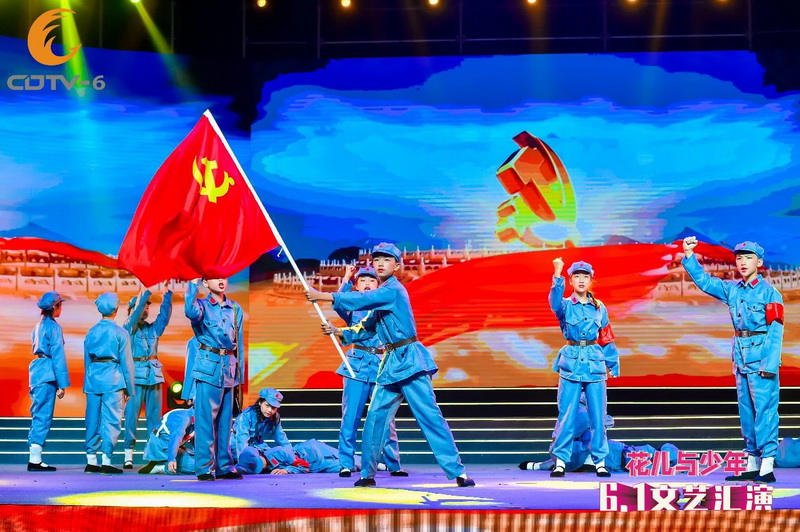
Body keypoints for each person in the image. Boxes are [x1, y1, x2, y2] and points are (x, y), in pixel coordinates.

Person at [306, 242, 474, 488]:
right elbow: (366, 328)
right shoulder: (382, 296)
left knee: (429, 416)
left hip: (410, 361)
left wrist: (323, 295)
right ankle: (367, 474)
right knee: (375, 418)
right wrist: (339, 332)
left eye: (386, 260)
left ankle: (457, 471)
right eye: (377, 260)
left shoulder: (393, 290)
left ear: (396, 266)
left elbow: (364, 299)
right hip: (390, 364)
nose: (380, 264)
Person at [682, 237, 784, 483]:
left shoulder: (770, 293)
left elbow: (775, 330)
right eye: (739, 258)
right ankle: (752, 463)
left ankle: (767, 465)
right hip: (741, 358)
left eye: (748, 257)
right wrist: (689, 256)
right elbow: (706, 282)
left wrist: (769, 364)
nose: (743, 262)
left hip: (761, 359)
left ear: (759, 262)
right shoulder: (733, 290)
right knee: (746, 412)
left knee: (765, 412)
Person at [547, 258, 620, 478]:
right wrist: (557, 272)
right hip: (571, 363)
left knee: (598, 416)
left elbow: (606, 336)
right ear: (570, 280)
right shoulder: (565, 305)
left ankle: (600, 461)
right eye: (577, 276)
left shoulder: (599, 307)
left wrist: (612, 364)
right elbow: (554, 301)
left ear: (591, 280)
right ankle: (561, 460)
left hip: (594, 364)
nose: (581, 280)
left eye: (585, 276)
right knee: (567, 414)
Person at [334, 265, 404, 478]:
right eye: (362, 280)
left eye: (371, 280)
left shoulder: (386, 304)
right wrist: (346, 279)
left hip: (382, 366)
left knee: (386, 418)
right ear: (356, 285)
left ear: (378, 285)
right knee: (350, 417)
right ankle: (346, 463)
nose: (366, 283)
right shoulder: (353, 308)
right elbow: (339, 302)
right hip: (356, 366)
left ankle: (393, 464)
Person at [184, 277, 244, 481]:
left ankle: (224, 466)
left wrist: (239, 375)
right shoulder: (201, 306)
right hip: (208, 368)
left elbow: (239, 343)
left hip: (229, 368)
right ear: (205, 283)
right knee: (205, 421)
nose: (221, 281)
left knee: (226, 422)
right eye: (215, 277)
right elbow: (190, 312)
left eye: (223, 277)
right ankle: (204, 467)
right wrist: (193, 285)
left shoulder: (235, 308)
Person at [83, 292, 135, 474]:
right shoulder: (121, 333)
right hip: (113, 379)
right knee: (111, 420)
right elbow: (127, 364)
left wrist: (87, 381)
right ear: (116, 309)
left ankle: (91, 460)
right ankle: (106, 460)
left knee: (92, 419)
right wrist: (130, 389)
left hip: (93, 379)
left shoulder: (91, 332)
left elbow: (87, 360)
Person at [122, 285, 173, 468]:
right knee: (131, 417)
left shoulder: (152, 329)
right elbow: (135, 315)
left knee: (155, 418)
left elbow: (164, 318)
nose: (146, 308)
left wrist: (167, 295)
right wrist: (145, 293)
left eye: (148, 306)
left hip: (154, 376)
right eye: (143, 305)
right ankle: (128, 454)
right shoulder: (129, 327)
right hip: (136, 377)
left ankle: (154, 455)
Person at [519, 390, 614, 473]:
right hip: (569, 455)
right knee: (596, 430)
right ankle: (589, 461)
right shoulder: (583, 412)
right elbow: (608, 422)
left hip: (558, 453)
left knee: (594, 429)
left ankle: (538, 466)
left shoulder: (569, 409)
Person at [27, 291, 70, 472]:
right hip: (47, 371)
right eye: (60, 305)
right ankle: (35, 460)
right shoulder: (54, 327)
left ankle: (35, 457)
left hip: (37, 371)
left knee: (38, 412)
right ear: (54, 307)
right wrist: (62, 383)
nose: (61, 308)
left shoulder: (38, 325)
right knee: (43, 415)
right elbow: (58, 356)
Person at [235, 439, 358, 475]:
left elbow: (304, 466)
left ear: (260, 454)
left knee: (349, 464)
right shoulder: (254, 465)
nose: (262, 466)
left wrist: (287, 470)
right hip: (315, 464)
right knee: (347, 466)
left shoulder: (278, 452)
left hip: (315, 454)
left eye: (260, 462)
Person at [231, 388, 292, 460]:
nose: (270, 410)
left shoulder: (275, 417)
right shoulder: (247, 415)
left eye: (273, 408)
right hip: (237, 445)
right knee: (255, 461)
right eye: (267, 405)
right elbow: (241, 440)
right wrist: (243, 461)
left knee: (274, 457)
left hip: (257, 444)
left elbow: (281, 438)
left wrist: (292, 455)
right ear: (260, 403)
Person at [138, 406, 196, 475]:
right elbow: (175, 439)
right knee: (195, 467)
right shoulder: (182, 417)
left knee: (203, 463)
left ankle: (163, 462)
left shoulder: (198, 420)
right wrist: (171, 459)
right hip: (162, 446)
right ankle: (161, 467)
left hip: (175, 447)